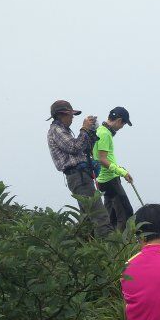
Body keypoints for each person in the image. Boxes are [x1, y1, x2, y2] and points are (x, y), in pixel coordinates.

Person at [45, 99, 112, 237]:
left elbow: (84, 149)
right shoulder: (56, 130)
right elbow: (74, 147)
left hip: (81, 176)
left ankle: (83, 250)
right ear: (62, 115)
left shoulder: (63, 130)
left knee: (87, 218)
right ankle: (111, 249)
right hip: (78, 176)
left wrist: (91, 133)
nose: (72, 118)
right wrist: (84, 129)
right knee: (99, 214)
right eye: (71, 115)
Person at [93, 107, 134, 231]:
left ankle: (108, 243)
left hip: (102, 180)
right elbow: (102, 159)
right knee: (126, 214)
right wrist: (122, 172)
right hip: (109, 179)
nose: (122, 127)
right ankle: (122, 246)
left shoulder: (100, 130)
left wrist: (118, 168)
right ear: (119, 120)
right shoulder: (105, 133)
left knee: (111, 215)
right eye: (123, 124)